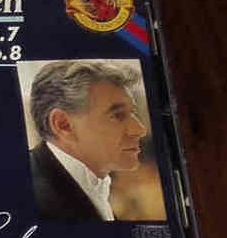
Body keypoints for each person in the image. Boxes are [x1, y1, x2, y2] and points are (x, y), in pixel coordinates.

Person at [26, 60, 147, 221]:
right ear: (63, 125)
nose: (140, 130)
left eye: (133, 113)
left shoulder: (87, 185)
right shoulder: (35, 199)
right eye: (117, 115)